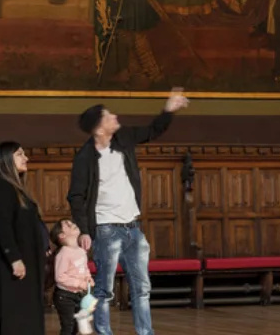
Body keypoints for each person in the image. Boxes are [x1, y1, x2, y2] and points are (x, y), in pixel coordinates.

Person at [67, 89, 189, 335]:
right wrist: (85, 231)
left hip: (133, 227)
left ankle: (146, 332)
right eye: (108, 115)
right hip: (105, 228)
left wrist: (168, 110)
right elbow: (76, 196)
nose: (115, 116)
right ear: (99, 127)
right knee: (104, 289)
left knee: (142, 287)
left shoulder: (124, 138)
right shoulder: (85, 157)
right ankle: (104, 332)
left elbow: (153, 130)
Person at [0, 142, 45, 335]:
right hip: (11, 265)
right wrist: (14, 259)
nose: (26, 158)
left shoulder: (16, 189)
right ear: (6, 160)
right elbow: (3, 227)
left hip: (27, 261)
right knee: (13, 317)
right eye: (20, 154)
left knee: (26, 315)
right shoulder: (1, 188)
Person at [49, 220, 96, 335]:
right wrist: (80, 284)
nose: (73, 224)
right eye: (68, 225)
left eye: (72, 223)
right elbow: (60, 277)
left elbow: (84, 269)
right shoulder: (63, 254)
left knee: (75, 327)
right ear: (61, 236)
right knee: (68, 327)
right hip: (64, 297)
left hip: (78, 295)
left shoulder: (81, 251)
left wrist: (88, 278)